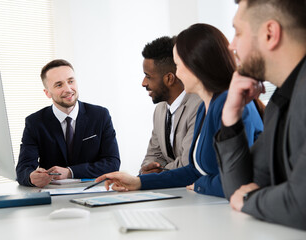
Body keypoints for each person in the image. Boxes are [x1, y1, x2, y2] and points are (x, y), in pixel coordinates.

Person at [96, 23, 263, 197]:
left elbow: (234, 182)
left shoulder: (230, 104)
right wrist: (138, 181)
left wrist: (201, 184)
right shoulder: (206, 107)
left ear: (196, 66)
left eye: (178, 65)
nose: (177, 74)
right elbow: (194, 171)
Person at [213, 0, 306, 230]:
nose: (231, 46)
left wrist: (249, 199)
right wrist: (231, 116)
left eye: (238, 32)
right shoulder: (280, 100)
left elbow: (301, 203)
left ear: (269, 34)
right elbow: (240, 188)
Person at [16, 59, 120, 187]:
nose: (68, 89)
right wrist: (31, 177)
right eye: (59, 85)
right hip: (54, 196)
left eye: (71, 81)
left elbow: (112, 163)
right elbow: (22, 169)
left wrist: (70, 172)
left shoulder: (100, 115)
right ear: (47, 93)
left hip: (94, 190)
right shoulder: (35, 122)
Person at [140, 36, 201, 174]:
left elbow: (188, 162)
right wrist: (147, 169)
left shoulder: (199, 106)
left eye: (148, 76)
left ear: (169, 78)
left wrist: (159, 173)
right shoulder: (160, 110)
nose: (143, 83)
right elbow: (153, 155)